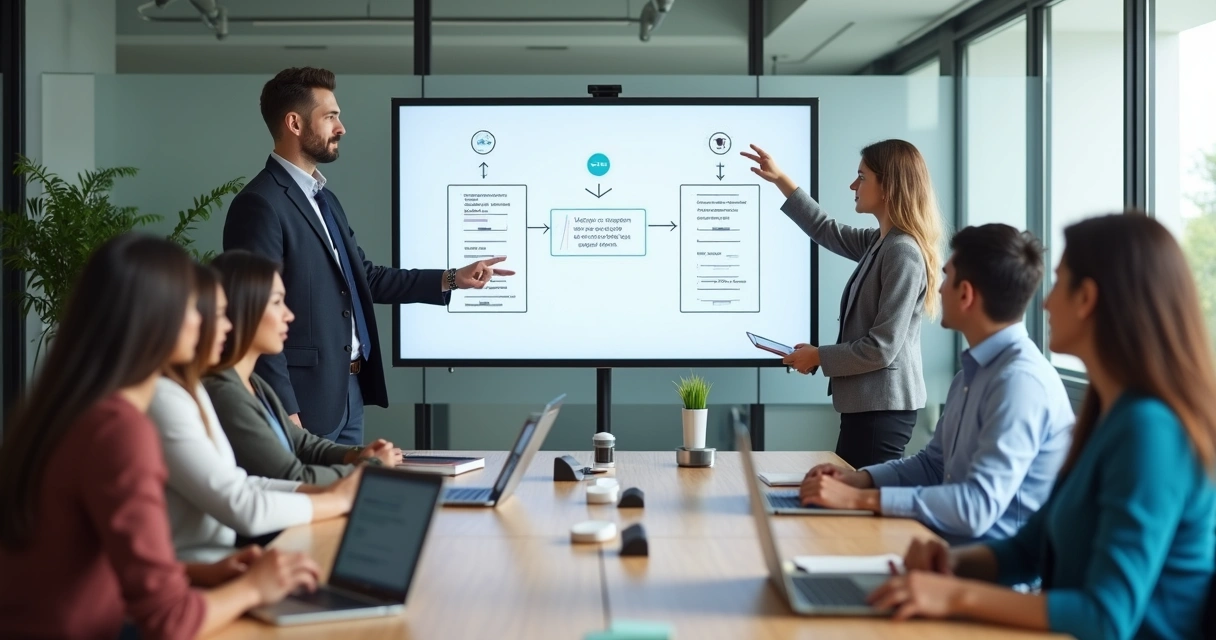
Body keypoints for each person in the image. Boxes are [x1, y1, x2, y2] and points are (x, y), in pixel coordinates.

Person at [868, 213, 1216, 640]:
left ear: (1086, 297)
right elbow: (1028, 549)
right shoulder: (1110, 415)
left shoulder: (1150, 431)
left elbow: (1105, 617)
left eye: (1057, 282)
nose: (1045, 302)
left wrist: (953, 596)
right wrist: (953, 566)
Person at [0, 233, 320, 640]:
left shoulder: (68, 409)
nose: (210, 321)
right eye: (195, 306)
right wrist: (254, 587)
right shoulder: (120, 431)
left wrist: (201, 573)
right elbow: (169, 622)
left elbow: (91, 562)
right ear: (155, 317)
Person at [223, 66, 515, 444]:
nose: (341, 127)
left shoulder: (324, 200)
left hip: (349, 394)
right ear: (294, 123)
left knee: (347, 497)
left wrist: (451, 279)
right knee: (315, 498)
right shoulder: (260, 205)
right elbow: (254, 312)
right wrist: (282, 406)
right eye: (330, 117)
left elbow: (366, 278)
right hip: (301, 402)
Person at [798, 224, 1073, 544]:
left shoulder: (1019, 385)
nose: (938, 289)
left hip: (987, 580)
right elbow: (933, 465)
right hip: (946, 558)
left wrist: (858, 500)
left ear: (966, 294)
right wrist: (859, 479)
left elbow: (976, 507)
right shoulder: (970, 376)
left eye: (946, 277)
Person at [742, 140, 944, 468]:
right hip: (869, 404)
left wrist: (818, 356)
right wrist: (780, 179)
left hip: (882, 409)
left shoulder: (902, 252)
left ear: (889, 186)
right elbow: (826, 229)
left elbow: (882, 348)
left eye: (861, 177)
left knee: (860, 511)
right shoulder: (882, 242)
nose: (853, 185)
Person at [149, 263, 362, 562]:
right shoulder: (175, 396)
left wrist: (348, 482)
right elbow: (242, 503)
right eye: (212, 313)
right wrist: (344, 491)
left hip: (217, 563)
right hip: (210, 566)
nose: (224, 325)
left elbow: (244, 484)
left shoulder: (193, 389)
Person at [205, 250, 404, 484]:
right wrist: (371, 467)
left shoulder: (254, 383)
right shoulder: (225, 394)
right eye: (277, 302)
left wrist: (357, 454)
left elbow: (303, 444)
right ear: (243, 308)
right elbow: (293, 477)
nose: (289, 315)